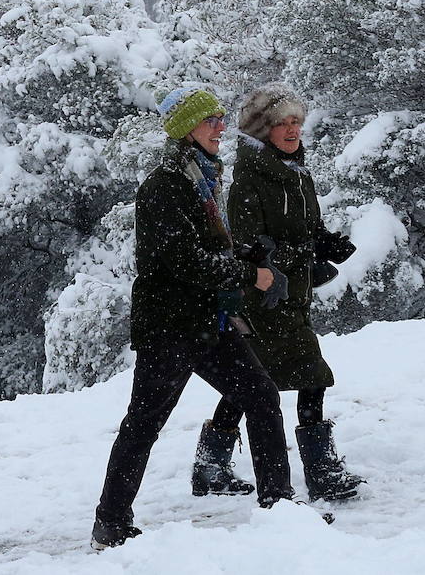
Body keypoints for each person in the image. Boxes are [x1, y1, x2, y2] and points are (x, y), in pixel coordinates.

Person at [91, 87, 297, 551]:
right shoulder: (165, 185)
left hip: (206, 321)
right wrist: (250, 274)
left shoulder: (201, 180)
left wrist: (248, 253)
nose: (221, 126)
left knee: (261, 396)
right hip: (170, 326)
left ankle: (280, 508)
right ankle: (111, 522)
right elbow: (182, 261)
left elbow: (206, 250)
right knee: (144, 422)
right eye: (211, 120)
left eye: (222, 118)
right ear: (186, 128)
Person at [191, 83, 366, 503]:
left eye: (296, 122)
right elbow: (251, 246)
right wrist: (307, 250)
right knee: (310, 376)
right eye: (282, 123)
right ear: (261, 130)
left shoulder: (296, 172)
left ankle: (210, 466)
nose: (292, 131)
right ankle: (321, 471)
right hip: (265, 300)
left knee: (252, 384)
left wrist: (325, 241)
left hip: (294, 297)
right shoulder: (251, 179)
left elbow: (304, 229)